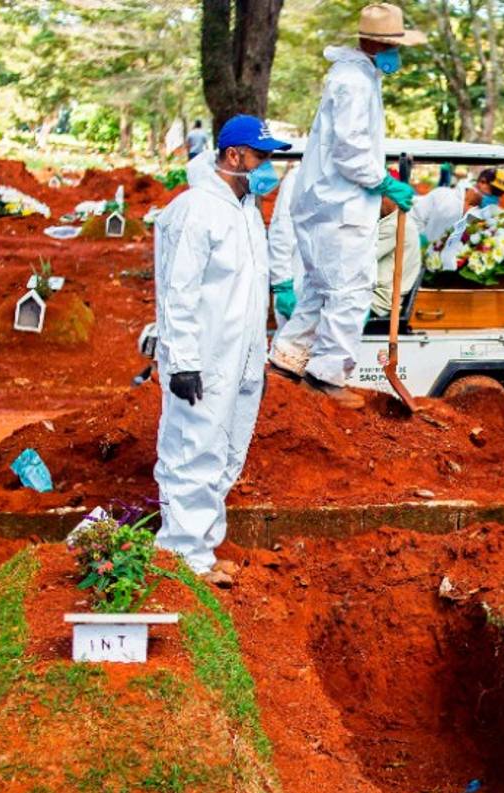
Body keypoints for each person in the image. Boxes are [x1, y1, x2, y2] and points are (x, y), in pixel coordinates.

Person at [152, 114, 290, 588]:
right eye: (261, 157)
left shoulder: (245, 209)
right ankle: (183, 559)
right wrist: (184, 361)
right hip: (204, 359)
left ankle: (201, 550)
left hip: (242, 357)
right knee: (193, 452)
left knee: (225, 453)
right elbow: (179, 290)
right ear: (234, 156)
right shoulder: (196, 210)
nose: (268, 167)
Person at [268, 3, 425, 410]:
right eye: (394, 46)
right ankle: (326, 375)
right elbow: (350, 150)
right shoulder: (353, 82)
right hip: (340, 208)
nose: (397, 54)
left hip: (333, 206)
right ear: (376, 43)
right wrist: (385, 182)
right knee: (349, 291)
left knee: (322, 289)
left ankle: (286, 359)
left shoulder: (357, 77)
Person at [410, 167, 504, 246]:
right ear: (482, 182)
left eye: (500, 194)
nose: (496, 198)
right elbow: (414, 218)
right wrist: (422, 242)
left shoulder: (490, 215)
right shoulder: (442, 195)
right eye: (495, 191)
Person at [371, 195, 423, 317]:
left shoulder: (395, 225)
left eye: (382, 197)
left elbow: (358, 261)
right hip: (380, 295)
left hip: (378, 301)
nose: (377, 201)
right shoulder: (397, 219)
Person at [268, 162, 303, 329]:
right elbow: (282, 233)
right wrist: (283, 285)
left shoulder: (354, 181)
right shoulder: (299, 178)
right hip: (300, 287)